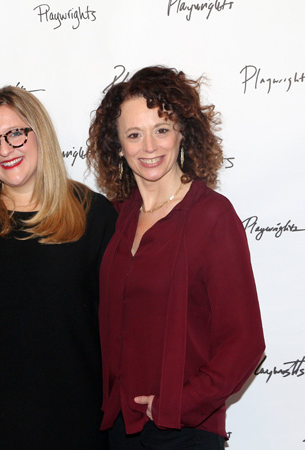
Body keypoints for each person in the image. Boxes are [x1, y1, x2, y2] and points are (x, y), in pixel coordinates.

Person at [86, 66, 265, 450]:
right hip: (116, 432)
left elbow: (245, 341)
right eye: (134, 134)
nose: (149, 146)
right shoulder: (114, 219)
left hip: (184, 433)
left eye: (161, 130)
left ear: (183, 134)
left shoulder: (212, 216)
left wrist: (179, 404)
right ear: (118, 145)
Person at [0, 86, 116, 449]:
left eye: (15, 134)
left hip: (73, 419)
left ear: (40, 133)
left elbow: (118, 326)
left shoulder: (95, 216)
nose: (4, 149)